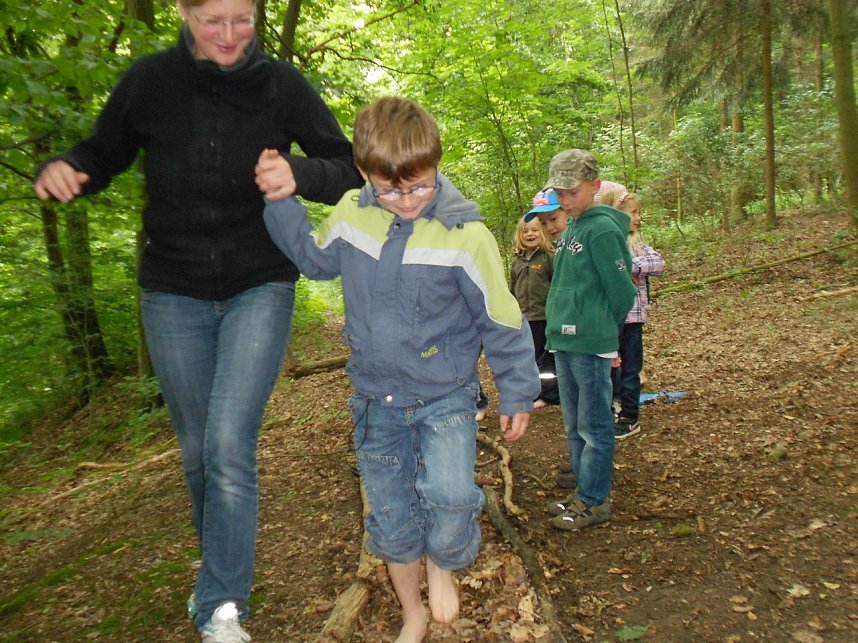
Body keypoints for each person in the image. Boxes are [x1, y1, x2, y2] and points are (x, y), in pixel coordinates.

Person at [33, 1, 363, 640]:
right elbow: (103, 152)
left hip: (258, 284)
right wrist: (71, 167)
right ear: (184, 13)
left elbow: (347, 167)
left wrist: (294, 172)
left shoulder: (283, 86)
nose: (232, 35)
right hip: (172, 290)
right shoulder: (150, 81)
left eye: (244, 19)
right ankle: (218, 576)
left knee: (227, 445)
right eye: (214, 20)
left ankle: (221, 606)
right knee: (195, 452)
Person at [260, 96, 539, 642]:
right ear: (365, 174)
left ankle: (443, 564)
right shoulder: (351, 213)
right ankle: (411, 611)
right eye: (391, 189)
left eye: (420, 185)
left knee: (453, 496)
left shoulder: (466, 236)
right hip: (374, 401)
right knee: (389, 518)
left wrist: (518, 391)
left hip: (446, 396)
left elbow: (500, 317)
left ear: (436, 164)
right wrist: (281, 200)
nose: (407, 200)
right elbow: (315, 261)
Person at [541, 149, 637, 531]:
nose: (565, 200)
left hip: (590, 343)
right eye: (559, 193)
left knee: (594, 425)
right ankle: (582, 491)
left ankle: (595, 500)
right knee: (573, 423)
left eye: (572, 192)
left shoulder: (602, 229)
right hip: (564, 341)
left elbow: (622, 291)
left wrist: (602, 330)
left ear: (595, 187)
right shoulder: (574, 227)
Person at [599, 190, 665, 439]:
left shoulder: (637, 245)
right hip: (607, 319)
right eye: (633, 212)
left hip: (633, 319)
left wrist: (630, 266)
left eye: (638, 212)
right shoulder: (605, 242)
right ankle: (609, 408)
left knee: (631, 367)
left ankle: (629, 415)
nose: (638, 218)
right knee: (607, 366)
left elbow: (658, 264)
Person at [509, 214, 559, 409]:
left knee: (546, 358)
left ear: (543, 232)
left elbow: (556, 287)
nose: (530, 234)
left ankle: (549, 394)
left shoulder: (548, 258)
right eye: (525, 230)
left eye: (534, 230)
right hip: (524, 317)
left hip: (544, 317)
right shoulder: (517, 262)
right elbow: (513, 290)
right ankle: (532, 391)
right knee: (527, 357)